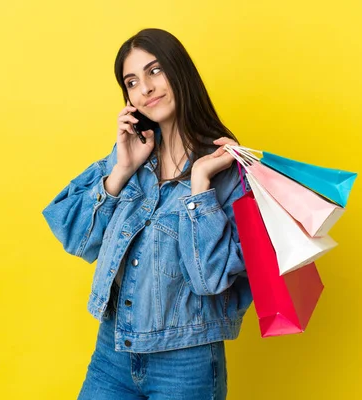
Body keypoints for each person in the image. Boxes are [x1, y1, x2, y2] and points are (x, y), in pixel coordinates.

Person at [42, 28, 252, 400]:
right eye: (132, 81)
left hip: (186, 362)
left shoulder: (226, 170)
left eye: (155, 71)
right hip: (113, 352)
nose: (146, 88)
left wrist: (200, 182)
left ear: (179, 71)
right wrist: (121, 171)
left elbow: (210, 279)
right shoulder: (130, 157)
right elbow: (74, 236)